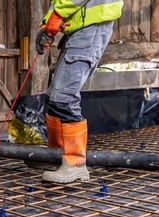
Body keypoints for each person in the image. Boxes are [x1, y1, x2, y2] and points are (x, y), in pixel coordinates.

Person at [36, 0, 123, 183]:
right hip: (78, 30)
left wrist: (57, 15)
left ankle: (75, 164)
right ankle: (56, 156)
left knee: (63, 97)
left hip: (91, 29)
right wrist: (48, 22)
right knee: (54, 97)